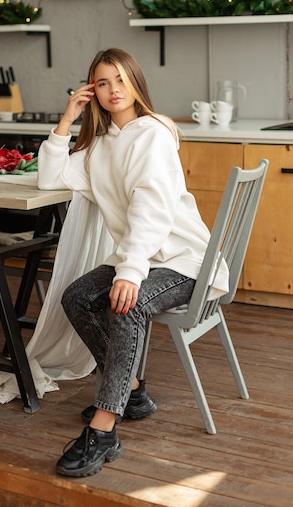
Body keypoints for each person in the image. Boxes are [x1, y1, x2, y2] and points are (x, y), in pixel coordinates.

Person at [37, 48, 229, 478]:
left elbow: (152, 209)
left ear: (136, 84)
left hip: (184, 259)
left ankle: (104, 428)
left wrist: (129, 272)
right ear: (92, 92)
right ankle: (133, 391)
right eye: (102, 83)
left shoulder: (154, 134)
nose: (112, 90)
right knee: (78, 297)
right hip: (141, 257)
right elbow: (51, 179)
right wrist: (66, 121)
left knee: (128, 302)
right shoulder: (100, 146)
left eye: (121, 80)